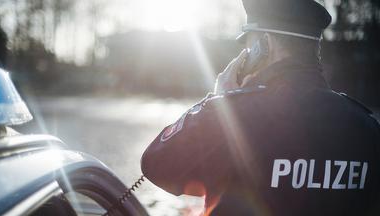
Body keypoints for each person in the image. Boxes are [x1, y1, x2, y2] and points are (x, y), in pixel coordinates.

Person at [141, 0, 380, 215]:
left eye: (248, 46)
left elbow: (155, 164)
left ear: (263, 46)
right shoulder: (368, 128)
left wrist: (220, 102)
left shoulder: (234, 118)